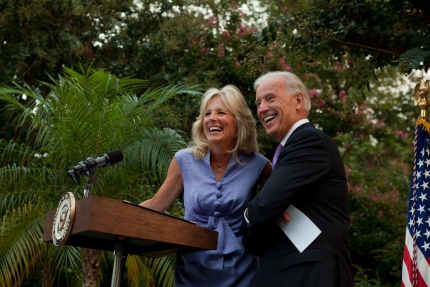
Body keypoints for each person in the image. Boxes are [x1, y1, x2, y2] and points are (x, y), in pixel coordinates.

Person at [140, 84, 272, 286]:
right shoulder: (184, 160)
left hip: (242, 273)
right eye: (207, 114)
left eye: (221, 112)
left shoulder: (258, 164)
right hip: (191, 271)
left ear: (238, 121)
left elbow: (282, 204)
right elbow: (156, 205)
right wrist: (118, 220)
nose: (212, 118)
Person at [244, 71, 354, 286]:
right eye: (258, 103)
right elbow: (263, 224)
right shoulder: (289, 148)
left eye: (270, 98)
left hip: (309, 275)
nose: (262, 108)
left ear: (298, 100)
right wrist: (263, 213)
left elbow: (264, 208)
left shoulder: (308, 140)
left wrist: (250, 213)